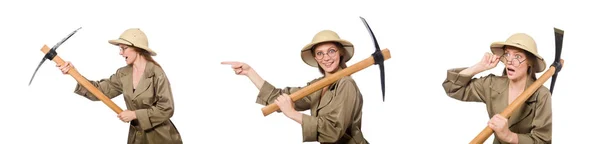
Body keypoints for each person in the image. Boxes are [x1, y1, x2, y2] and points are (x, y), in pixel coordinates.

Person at [222, 30, 369, 144]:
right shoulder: (318, 85)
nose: (326, 57)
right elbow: (283, 98)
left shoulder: (346, 84)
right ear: (315, 58)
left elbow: (333, 131)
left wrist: (292, 113)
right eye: (320, 53)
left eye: (331, 51)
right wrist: (249, 72)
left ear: (341, 52)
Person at [57, 28, 182, 144]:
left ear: (137, 48)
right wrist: (75, 74)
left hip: (162, 138)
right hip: (137, 137)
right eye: (120, 48)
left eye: (124, 48)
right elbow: (99, 91)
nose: (120, 53)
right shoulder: (123, 74)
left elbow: (166, 108)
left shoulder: (156, 73)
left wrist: (135, 115)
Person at [442, 33, 552, 143]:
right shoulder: (491, 84)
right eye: (507, 54)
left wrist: (509, 136)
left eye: (517, 56)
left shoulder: (542, 94)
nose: (509, 61)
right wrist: (479, 67)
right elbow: (452, 88)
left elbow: (543, 141)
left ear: (530, 62)